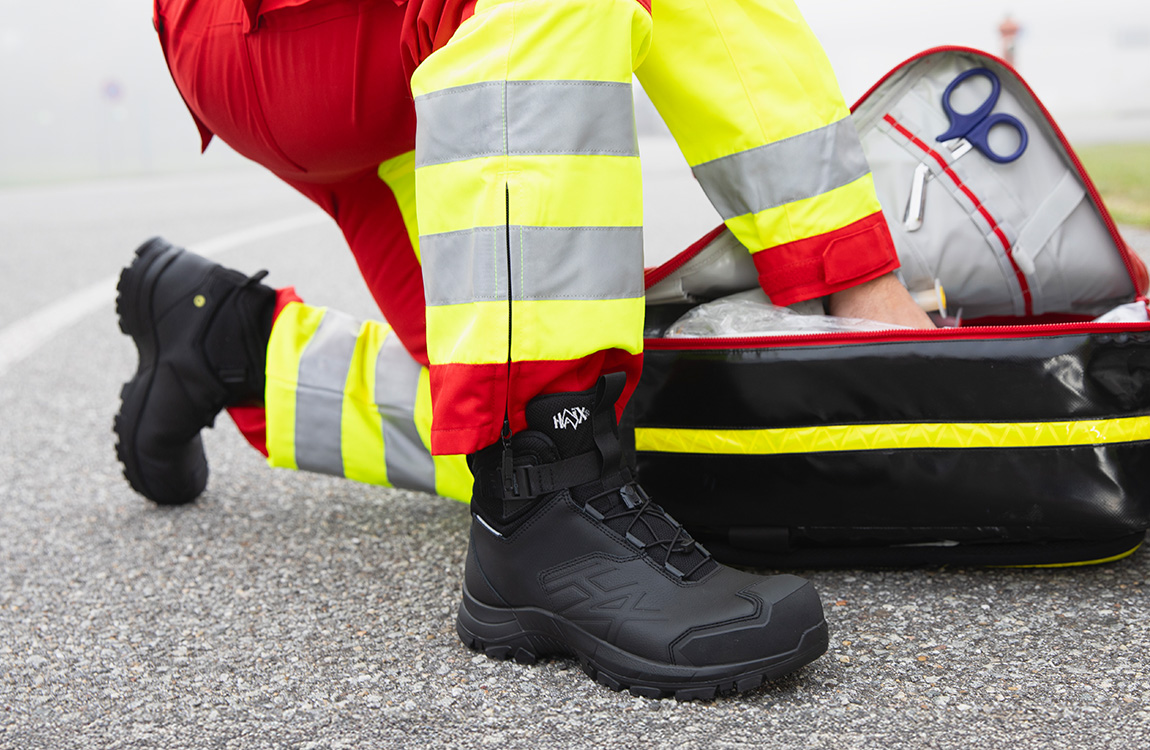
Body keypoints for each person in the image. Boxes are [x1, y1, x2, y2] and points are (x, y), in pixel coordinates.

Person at [119, 0, 932, 699]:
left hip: (378, 57)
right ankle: (545, 496)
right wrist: (854, 273)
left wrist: (852, 279)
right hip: (277, 33)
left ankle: (234, 349)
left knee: (492, 381)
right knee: (534, 407)